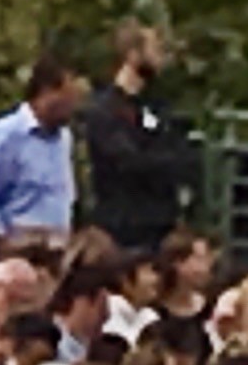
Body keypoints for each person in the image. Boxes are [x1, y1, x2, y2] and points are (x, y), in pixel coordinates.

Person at [80, 23, 199, 247]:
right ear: (133, 55)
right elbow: (127, 161)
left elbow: (179, 151)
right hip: (122, 224)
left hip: (161, 221)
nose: (161, 58)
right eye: (155, 50)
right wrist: (166, 160)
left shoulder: (156, 106)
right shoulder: (106, 109)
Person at [0, 56, 85, 261]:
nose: (74, 106)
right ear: (46, 92)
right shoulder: (4, 134)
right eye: (68, 97)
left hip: (55, 253)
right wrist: (2, 238)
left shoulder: (64, 139)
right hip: (13, 252)